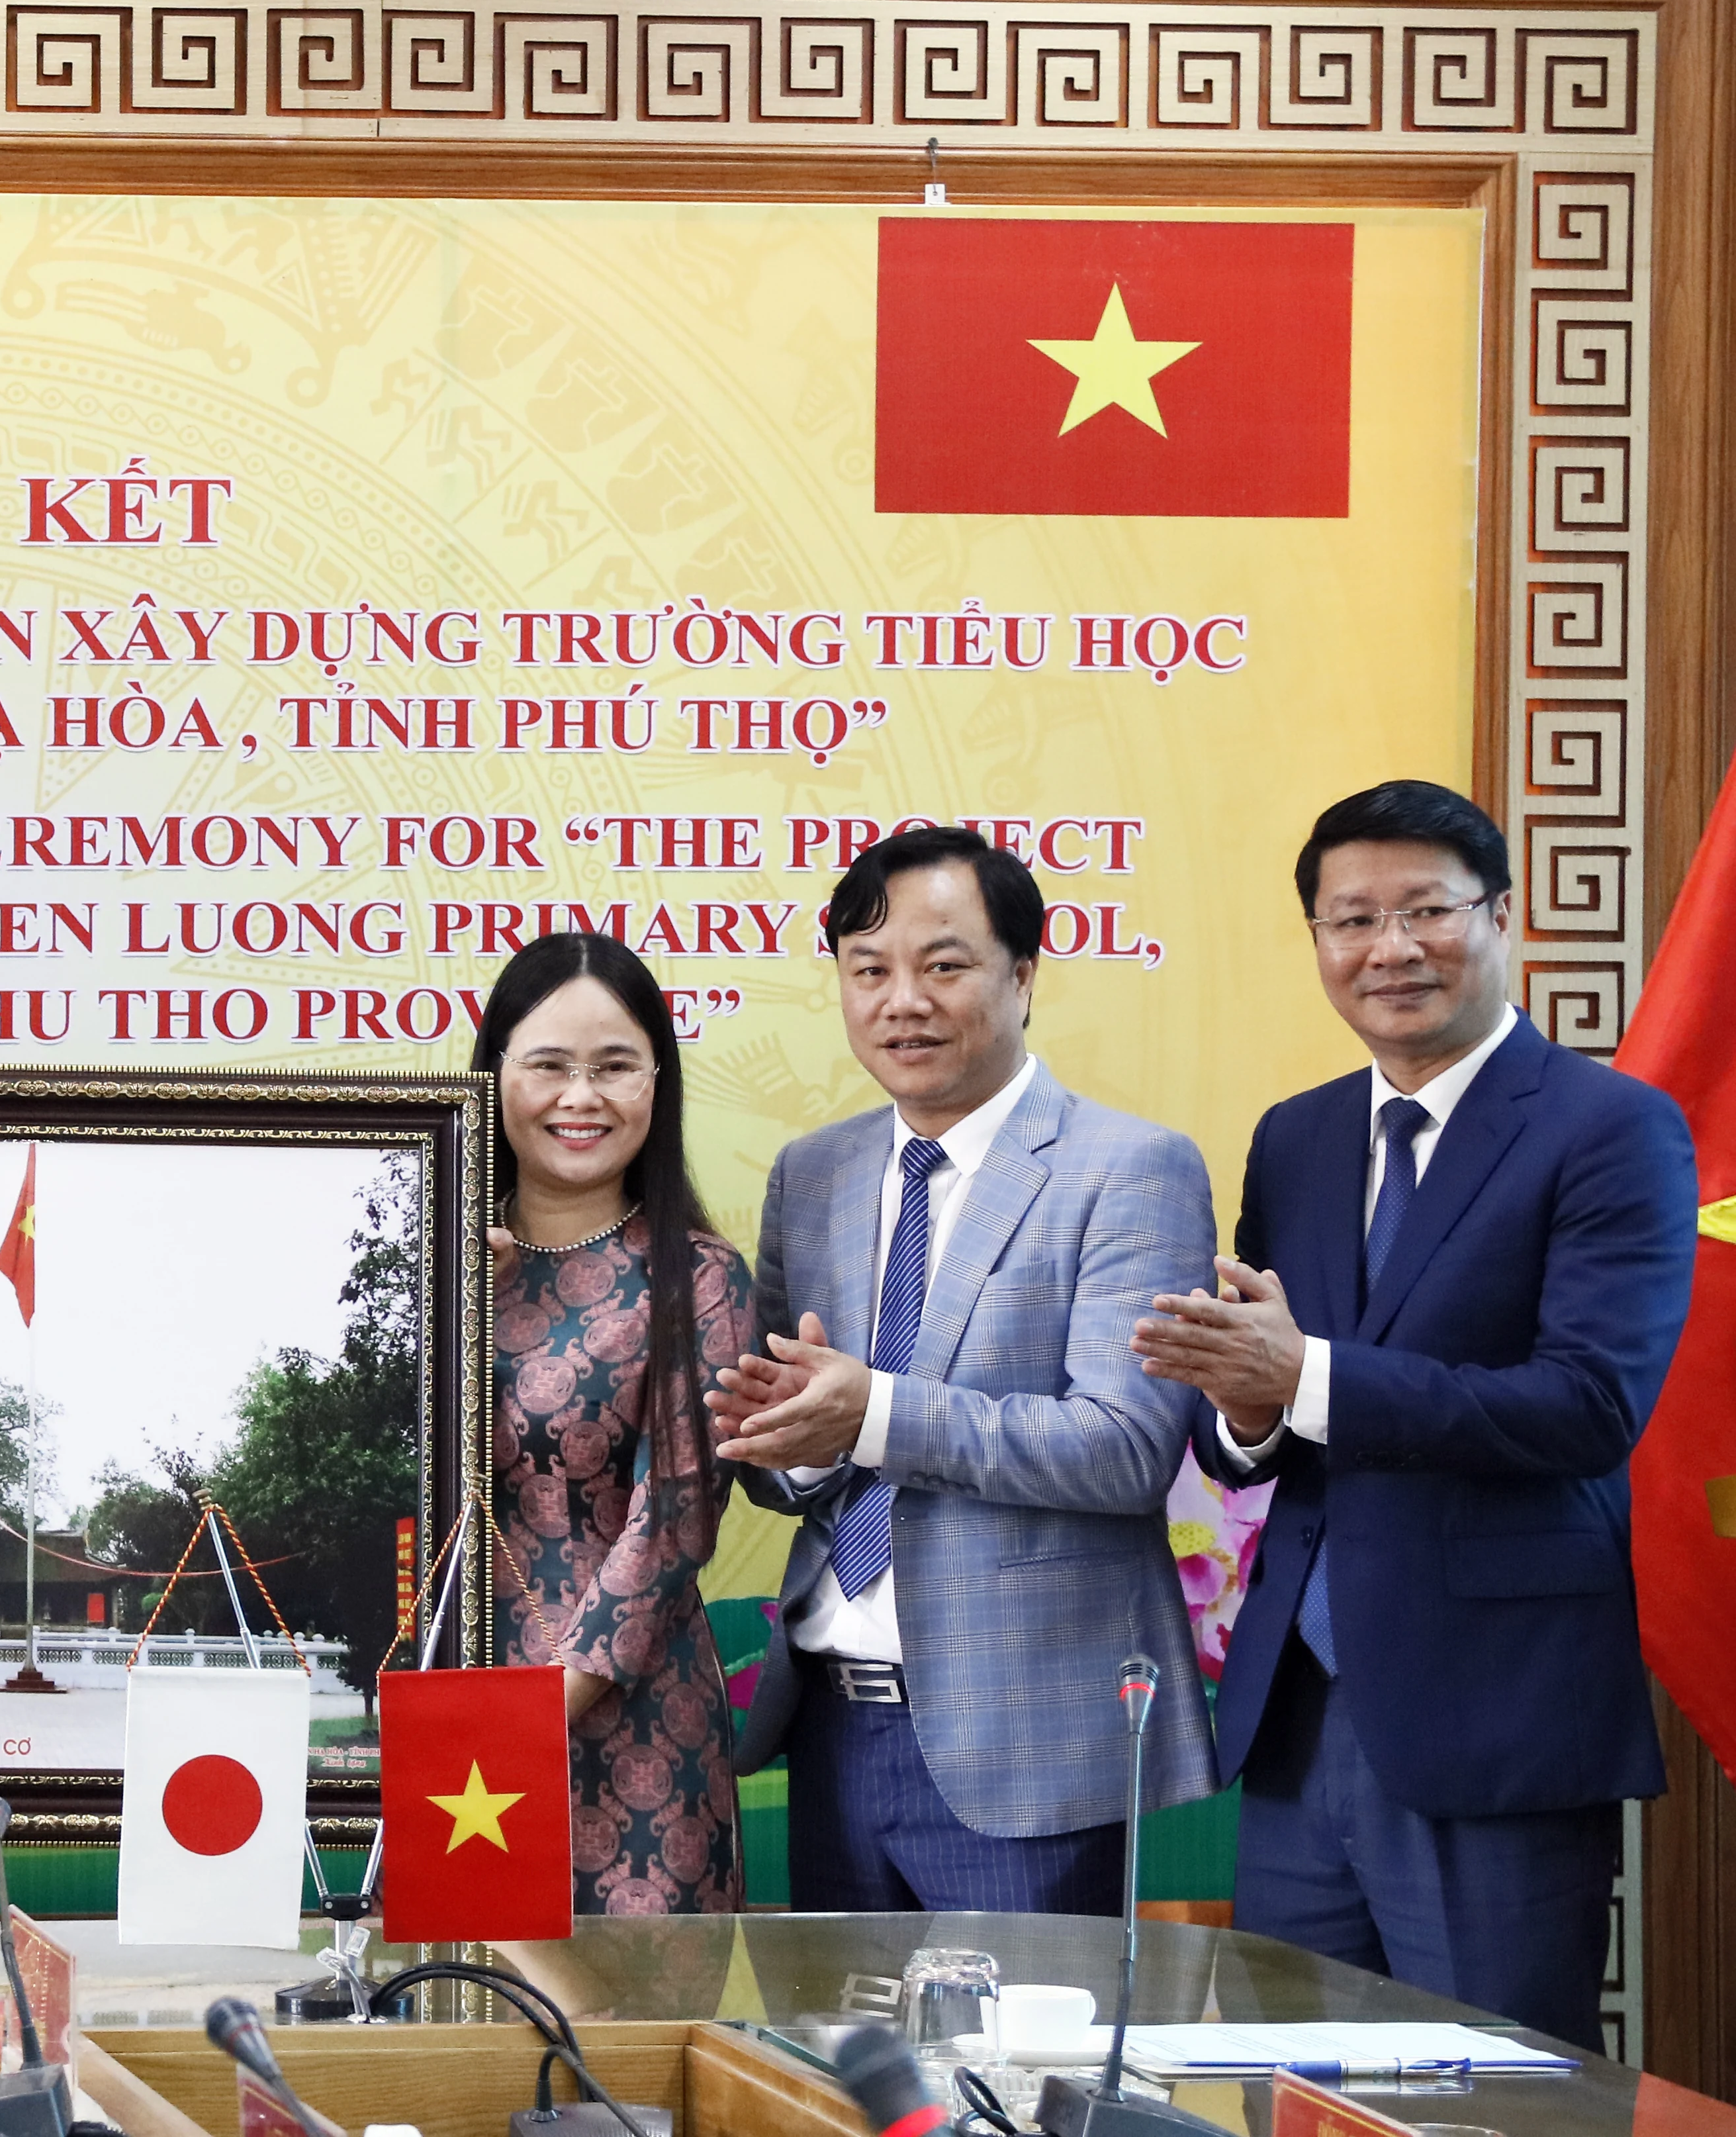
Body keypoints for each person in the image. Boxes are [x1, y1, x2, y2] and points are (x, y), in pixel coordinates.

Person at [1130, 781, 1691, 2045]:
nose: (1390, 949)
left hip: (1490, 1715)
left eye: (1427, 911)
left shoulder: (1613, 1130)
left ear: (1502, 917)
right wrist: (1247, 1414)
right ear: (1320, 945)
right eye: (1352, 921)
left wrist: (1305, 1379)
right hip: (1297, 1715)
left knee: (1495, 2096)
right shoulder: (1299, 1139)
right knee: (1296, 2085)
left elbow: (1588, 1408)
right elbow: (1260, 1421)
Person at [711, 825, 1216, 1911]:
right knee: (850, 2079)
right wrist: (791, 1450)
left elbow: (1126, 1450)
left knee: (1019, 2084)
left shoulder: (1130, 1169)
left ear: (1024, 975)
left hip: (1026, 1745)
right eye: (869, 970)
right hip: (831, 1726)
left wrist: (874, 1414)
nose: (905, 1001)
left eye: (945, 965)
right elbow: (778, 1440)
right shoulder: (815, 1175)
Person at [465, 933, 756, 1913]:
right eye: (548, 1064)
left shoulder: (700, 1279)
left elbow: (675, 1516)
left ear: (657, 1085)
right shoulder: (425, 1264)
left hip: (639, 1726)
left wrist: (545, 1706)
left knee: (631, 2050)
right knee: (449, 2038)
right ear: (494, 1075)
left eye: (615, 1066)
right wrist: (450, 1300)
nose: (579, 1097)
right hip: (447, 1711)